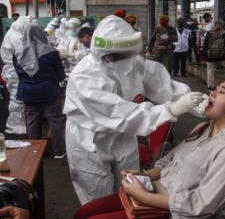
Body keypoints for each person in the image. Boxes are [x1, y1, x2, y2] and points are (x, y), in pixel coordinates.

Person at [74, 76, 225, 219]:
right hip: (155, 194)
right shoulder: (202, 128)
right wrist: (149, 174)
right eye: (216, 88)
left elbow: (201, 205)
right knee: (84, 211)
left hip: (174, 212)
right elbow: (169, 160)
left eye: (222, 91)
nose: (212, 92)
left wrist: (142, 196)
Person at [64, 15, 204, 204]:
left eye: (124, 54)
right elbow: (120, 113)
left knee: (128, 188)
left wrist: (200, 103)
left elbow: (164, 86)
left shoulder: (133, 62)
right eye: (115, 55)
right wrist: (170, 110)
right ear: (101, 51)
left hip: (125, 135)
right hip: (91, 139)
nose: (121, 59)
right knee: (97, 194)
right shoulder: (85, 76)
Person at [13, 24, 66, 158]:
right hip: (49, 90)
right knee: (55, 120)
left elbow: (19, 74)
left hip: (28, 91)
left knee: (32, 120)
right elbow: (60, 74)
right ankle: (59, 151)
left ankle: (35, 151)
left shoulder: (18, 53)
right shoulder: (51, 52)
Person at [0, 16, 31, 135]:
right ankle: (16, 126)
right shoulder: (16, 37)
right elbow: (23, 54)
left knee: (17, 97)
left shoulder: (11, 33)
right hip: (14, 71)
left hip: (12, 70)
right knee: (18, 98)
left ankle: (18, 123)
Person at [203, 20, 225, 90]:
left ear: (214, 25)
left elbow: (205, 45)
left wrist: (206, 55)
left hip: (211, 57)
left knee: (210, 72)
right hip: (222, 57)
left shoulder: (209, 33)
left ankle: (210, 87)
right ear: (222, 25)